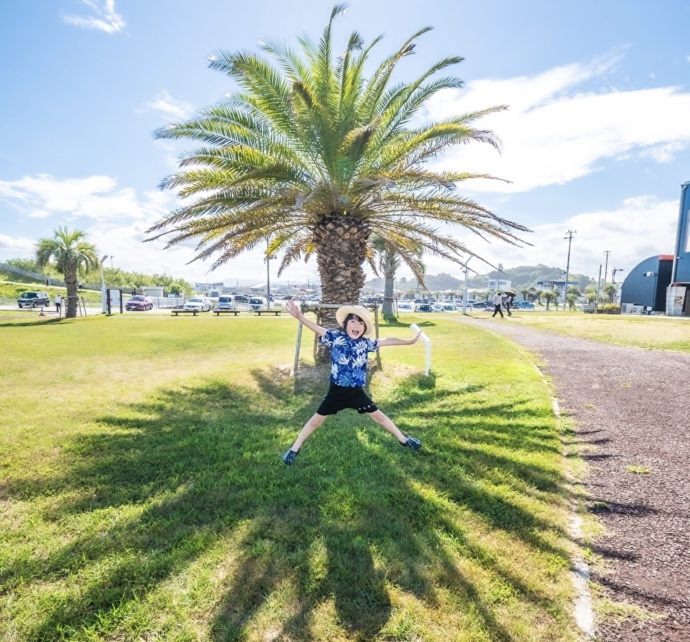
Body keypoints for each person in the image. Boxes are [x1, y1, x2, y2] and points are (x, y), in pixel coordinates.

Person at [282, 300, 423, 465]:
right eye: (353, 321)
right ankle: (294, 449)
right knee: (315, 421)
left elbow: (388, 340)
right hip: (336, 392)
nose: (357, 325)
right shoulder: (335, 337)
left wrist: (410, 341)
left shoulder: (365, 344)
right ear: (346, 324)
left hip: (356, 392)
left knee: (379, 417)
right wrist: (299, 316)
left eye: (361, 323)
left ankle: (404, 440)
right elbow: (316, 328)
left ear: (364, 328)